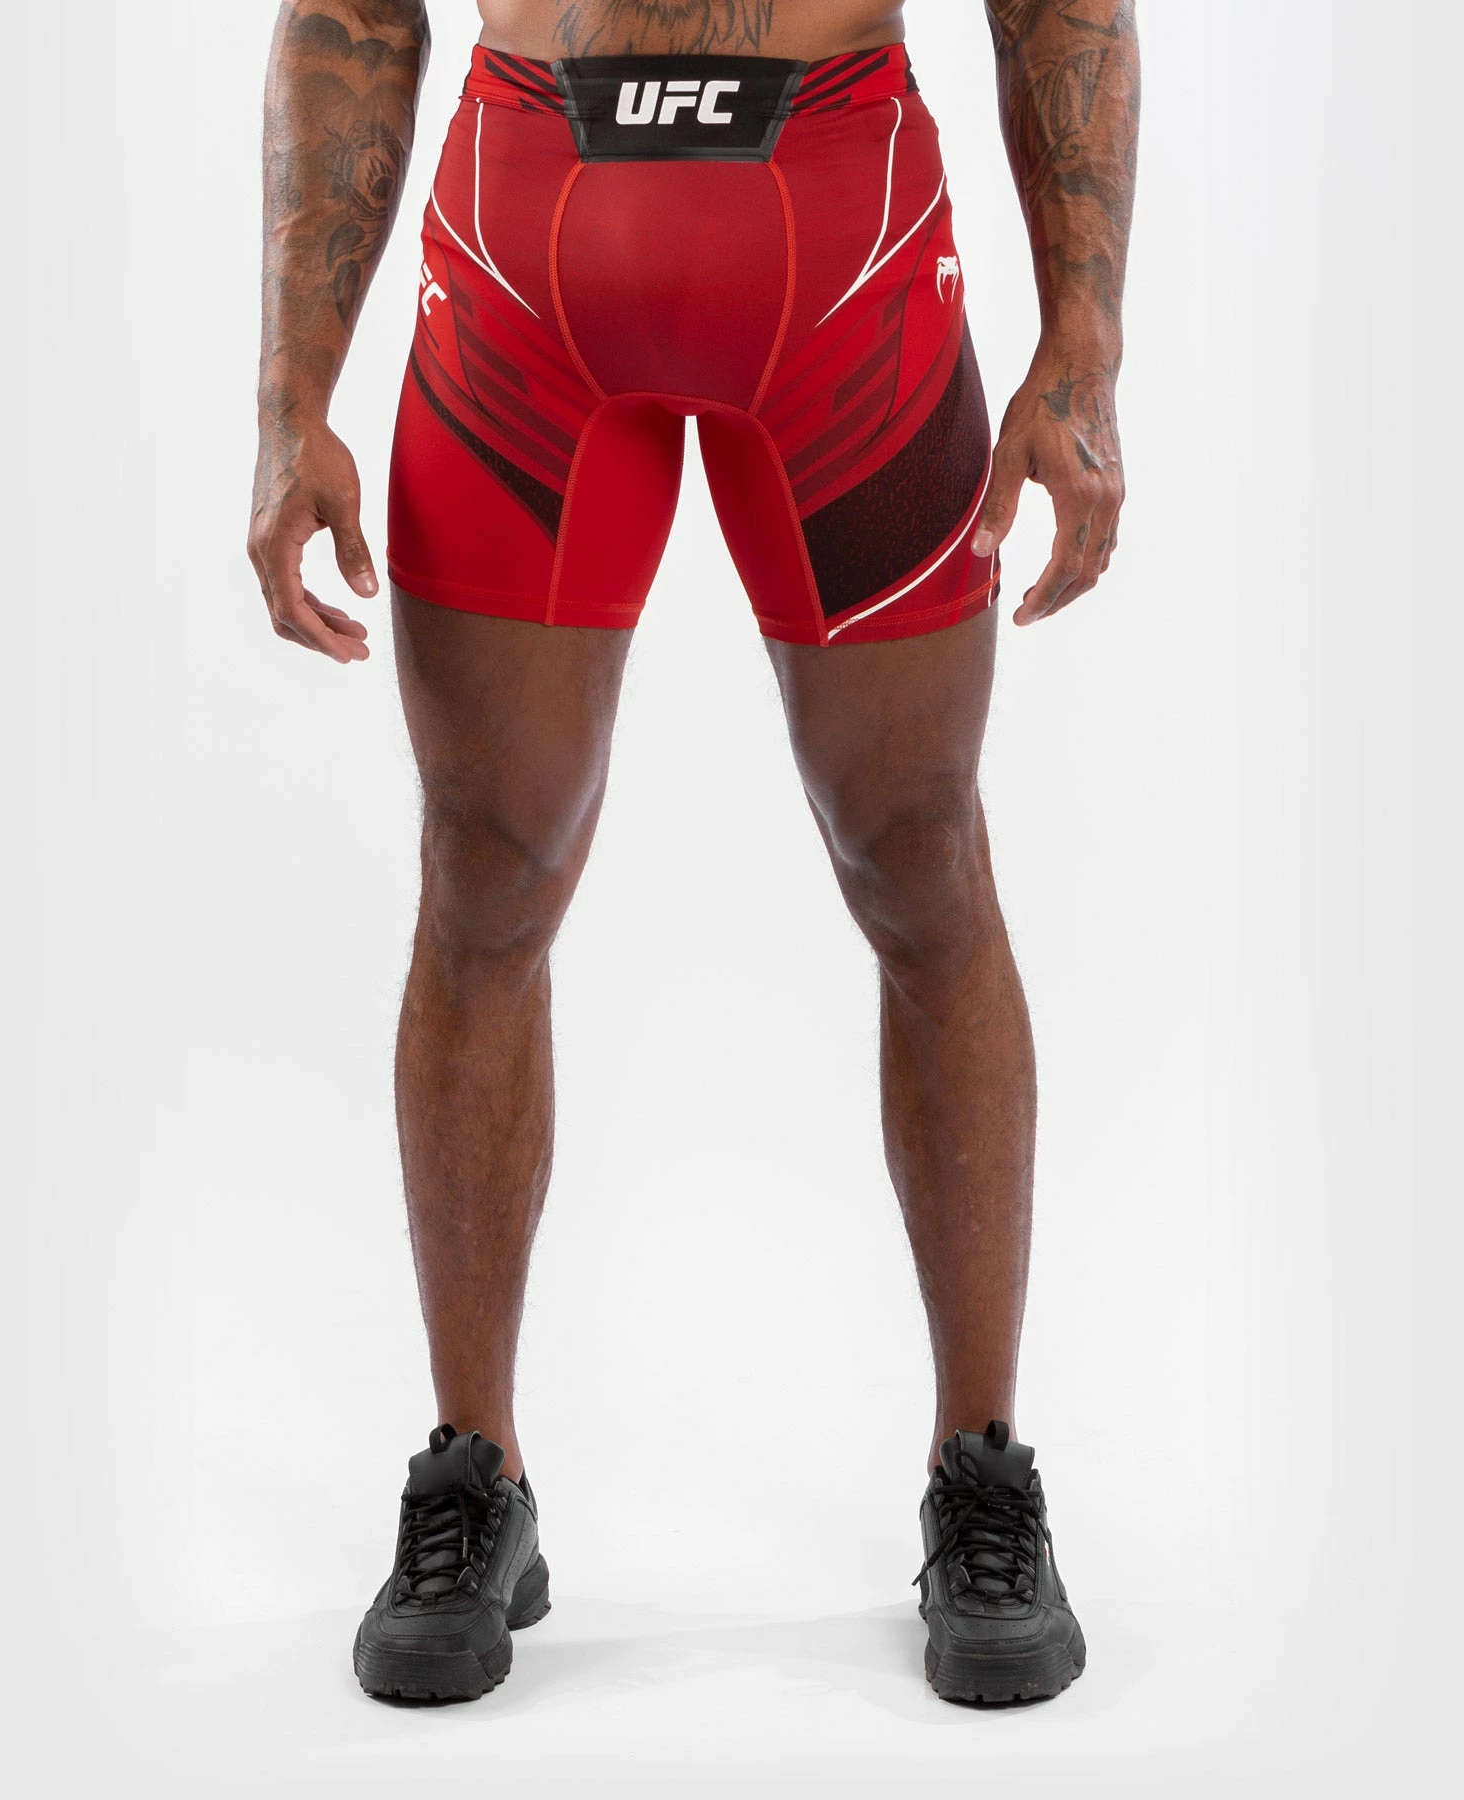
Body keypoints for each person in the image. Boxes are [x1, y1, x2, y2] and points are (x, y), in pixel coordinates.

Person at [248, 0, 1139, 1707]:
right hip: (526, 254)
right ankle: (473, 1477)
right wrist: (291, 393)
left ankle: (982, 1472)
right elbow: (348, 9)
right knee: (487, 867)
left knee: (916, 852)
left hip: (843, 237)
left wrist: (1084, 342)